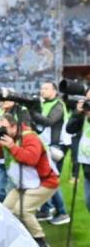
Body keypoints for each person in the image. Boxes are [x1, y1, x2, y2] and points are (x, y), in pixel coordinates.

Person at [0, 114, 58, 247]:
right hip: (22, 183)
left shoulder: (29, 137)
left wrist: (12, 146)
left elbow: (31, 159)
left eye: (4, 127)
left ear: (14, 126)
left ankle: (40, 240)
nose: (1, 130)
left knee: (22, 209)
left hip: (44, 181)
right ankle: (14, 236)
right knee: (5, 209)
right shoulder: (8, 138)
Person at [32, 82, 71, 225]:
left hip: (56, 146)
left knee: (50, 180)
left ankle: (62, 212)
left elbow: (49, 121)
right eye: (42, 88)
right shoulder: (44, 104)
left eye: (46, 88)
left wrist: (32, 112)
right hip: (45, 146)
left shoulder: (58, 105)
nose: (43, 90)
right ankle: (46, 209)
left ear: (54, 91)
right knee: (45, 179)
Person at [0, 101, 31, 202]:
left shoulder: (21, 111)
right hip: (1, 158)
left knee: (12, 190)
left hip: (14, 159)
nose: (3, 101)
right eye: (2, 99)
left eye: (6, 99)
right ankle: (8, 208)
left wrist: (12, 143)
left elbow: (25, 130)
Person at [65, 88, 90, 212]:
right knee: (89, 202)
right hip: (87, 167)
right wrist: (76, 113)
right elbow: (69, 129)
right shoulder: (83, 116)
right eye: (87, 100)